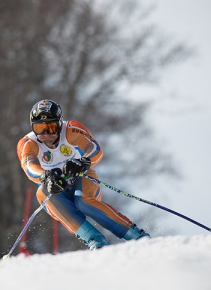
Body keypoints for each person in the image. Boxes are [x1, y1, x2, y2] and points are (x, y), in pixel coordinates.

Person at [16, 99, 150, 250]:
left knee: (83, 202)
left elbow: (95, 149)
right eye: (40, 128)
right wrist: (45, 176)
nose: (46, 134)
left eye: (51, 127)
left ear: (60, 124)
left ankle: (134, 234)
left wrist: (83, 161)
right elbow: (29, 166)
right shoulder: (28, 143)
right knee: (42, 192)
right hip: (58, 189)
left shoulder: (71, 129)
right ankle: (95, 240)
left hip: (82, 179)